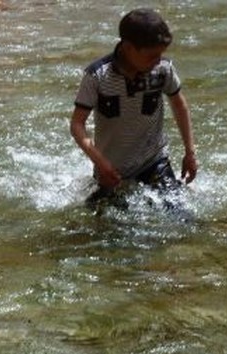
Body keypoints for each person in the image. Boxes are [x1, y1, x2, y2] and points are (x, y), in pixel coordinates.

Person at [70, 8, 198, 210]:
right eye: (151, 55)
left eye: (161, 54)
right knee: (104, 228)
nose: (157, 60)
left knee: (180, 213)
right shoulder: (97, 76)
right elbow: (77, 124)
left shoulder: (163, 70)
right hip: (111, 169)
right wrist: (100, 162)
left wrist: (190, 153)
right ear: (129, 48)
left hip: (154, 160)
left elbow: (179, 104)